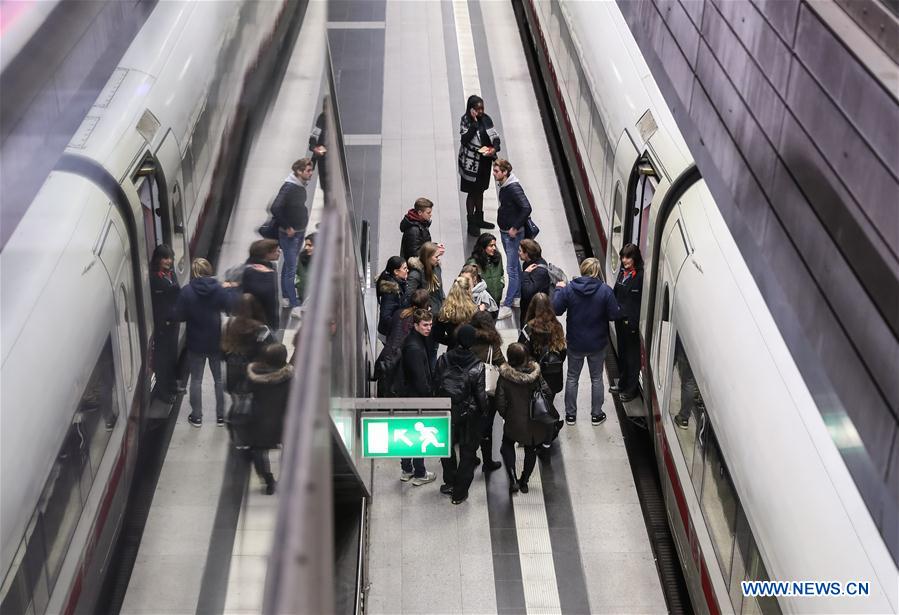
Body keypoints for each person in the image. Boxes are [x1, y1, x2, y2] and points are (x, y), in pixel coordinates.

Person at [552, 257, 622, 426]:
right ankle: (596, 415)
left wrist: (558, 291)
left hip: (575, 342)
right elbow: (614, 315)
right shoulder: (605, 291)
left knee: (572, 377)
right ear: (597, 272)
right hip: (597, 343)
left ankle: (570, 415)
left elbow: (556, 309)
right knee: (596, 378)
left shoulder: (569, 289)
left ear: (582, 270)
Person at [173, 258, 236, 427]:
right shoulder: (218, 289)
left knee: (196, 380)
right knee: (219, 380)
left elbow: (179, 316)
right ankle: (221, 417)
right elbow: (230, 308)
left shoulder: (187, 291)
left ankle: (197, 416)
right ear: (209, 270)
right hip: (215, 340)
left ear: (193, 273)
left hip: (195, 342)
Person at [434, 325, 488, 504]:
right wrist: (484, 411)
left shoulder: (443, 359)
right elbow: (481, 396)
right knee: (468, 453)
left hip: (445, 410)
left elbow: (435, 383)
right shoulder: (478, 366)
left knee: (446, 447)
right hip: (468, 416)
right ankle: (459, 493)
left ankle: (449, 482)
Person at [495, 343, 554, 494]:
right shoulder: (536, 374)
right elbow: (547, 392)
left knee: (507, 444)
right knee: (531, 450)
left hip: (514, 420)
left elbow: (500, 402)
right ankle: (524, 481)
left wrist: (506, 415)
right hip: (535, 420)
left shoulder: (505, 377)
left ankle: (513, 479)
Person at [246, 343, 293, 494]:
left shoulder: (255, 375)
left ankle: (268, 481)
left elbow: (245, 390)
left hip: (260, 420)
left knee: (259, 452)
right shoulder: (289, 378)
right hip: (283, 421)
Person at [399, 309, 437, 486]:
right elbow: (420, 378)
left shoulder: (414, 340)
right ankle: (420, 472)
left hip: (408, 395)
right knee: (417, 433)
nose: (429, 328)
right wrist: (429, 394)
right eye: (425, 325)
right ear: (416, 325)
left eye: (430, 324)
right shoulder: (414, 347)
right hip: (415, 397)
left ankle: (407, 470)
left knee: (408, 431)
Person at [272, 158, 313, 316]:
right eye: (308, 171)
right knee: (291, 269)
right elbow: (275, 207)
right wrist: (287, 226)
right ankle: (295, 306)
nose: (311, 174)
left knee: (288, 266)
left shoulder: (298, 184)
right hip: (290, 235)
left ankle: (285, 296)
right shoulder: (289, 187)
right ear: (299, 172)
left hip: (298, 232)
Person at [493, 159, 532, 319]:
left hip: (512, 236)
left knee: (512, 270)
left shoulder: (513, 188)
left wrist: (515, 227)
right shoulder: (507, 184)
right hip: (506, 232)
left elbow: (527, 207)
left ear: (505, 173)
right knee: (515, 266)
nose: (494, 174)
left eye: (496, 171)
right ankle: (516, 296)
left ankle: (508, 305)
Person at [458, 95, 501, 236]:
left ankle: (479, 218)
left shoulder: (486, 119)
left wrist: (494, 148)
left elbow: (494, 136)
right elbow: (465, 140)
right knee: (472, 193)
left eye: (482, 108)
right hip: (471, 164)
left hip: (484, 162)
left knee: (481, 190)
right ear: (471, 109)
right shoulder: (465, 121)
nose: (481, 111)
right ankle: (471, 223)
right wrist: (474, 124)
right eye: (477, 109)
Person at [469, 311, 505, 472]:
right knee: (487, 426)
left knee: (470, 424)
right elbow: (502, 364)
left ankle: (471, 457)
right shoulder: (492, 343)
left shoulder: (467, 339)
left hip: (469, 388)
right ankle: (487, 462)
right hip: (487, 391)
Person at [221, 294, 275, 399]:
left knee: (237, 400)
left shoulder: (230, 324)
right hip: (252, 370)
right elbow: (272, 349)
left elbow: (222, 349)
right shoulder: (260, 328)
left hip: (232, 368)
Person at [519, 292, 567, 404]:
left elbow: (521, 352)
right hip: (552, 374)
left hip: (534, 375)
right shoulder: (557, 326)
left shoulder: (528, 328)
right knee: (548, 402)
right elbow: (563, 352)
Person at [612, 243, 643, 402]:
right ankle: (622, 384)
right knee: (623, 354)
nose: (624, 260)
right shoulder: (623, 273)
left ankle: (631, 390)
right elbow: (615, 292)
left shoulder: (640, 276)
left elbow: (639, 303)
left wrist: (634, 322)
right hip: (619, 320)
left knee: (632, 359)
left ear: (635, 258)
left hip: (631, 323)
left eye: (628, 257)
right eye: (623, 257)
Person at [150, 244, 181, 403]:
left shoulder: (171, 274)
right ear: (158, 259)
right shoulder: (154, 279)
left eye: (170, 257)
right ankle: (163, 391)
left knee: (172, 355)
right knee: (162, 359)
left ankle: (172, 384)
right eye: (165, 258)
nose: (169, 261)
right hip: (162, 325)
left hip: (173, 322)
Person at [242, 239, 280, 330]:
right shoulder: (265, 274)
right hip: (258, 323)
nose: (279, 252)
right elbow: (270, 301)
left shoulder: (269, 267)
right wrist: (273, 325)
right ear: (267, 254)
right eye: (276, 251)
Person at [435, 276, 478, 349]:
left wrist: (452, 341)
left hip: (453, 350)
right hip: (471, 350)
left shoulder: (445, 312)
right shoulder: (474, 310)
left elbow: (438, 336)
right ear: (467, 291)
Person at [406, 241, 445, 316]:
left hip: (438, 310)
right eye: (436, 257)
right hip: (426, 315)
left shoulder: (436, 267)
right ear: (428, 257)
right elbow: (409, 298)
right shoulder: (415, 275)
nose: (438, 259)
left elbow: (439, 288)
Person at [467, 232, 504, 309]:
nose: (494, 248)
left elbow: (501, 274)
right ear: (483, 247)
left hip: (496, 300)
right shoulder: (473, 263)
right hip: (482, 303)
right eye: (491, 246)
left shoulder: (497, 257)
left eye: (494, 245)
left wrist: (501, 285)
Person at [519, 239, 551, 325]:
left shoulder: (540, 271)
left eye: (520, 251)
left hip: (534, 313)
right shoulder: (527, 263)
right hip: (527, 308)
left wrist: (525, 274)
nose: (519, 253)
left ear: (527, 254)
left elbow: (527, 292)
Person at [376, 256, 409, 338]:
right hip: (389, 334)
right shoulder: (391, 291)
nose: (407, 270)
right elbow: (386, 317)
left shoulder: (400, 283)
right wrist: (399, 329)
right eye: (405, 268)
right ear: (396, 272)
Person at [295, 233, 316, 306]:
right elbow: (296, 275)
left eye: (310, 245)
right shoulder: (302, 257)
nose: (306, 248)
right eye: (306, 245)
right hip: (303, 296)